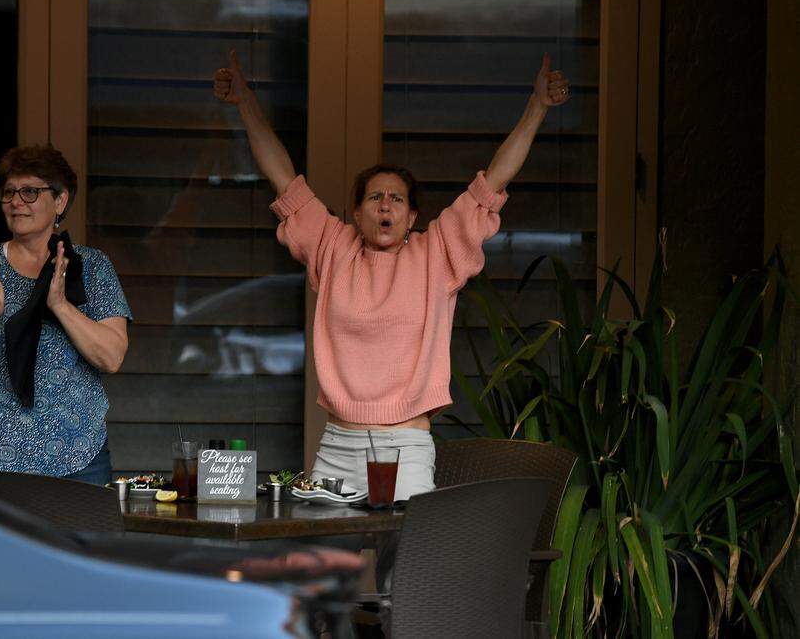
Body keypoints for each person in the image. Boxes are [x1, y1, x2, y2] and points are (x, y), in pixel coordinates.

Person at [214, 49, 569, 501]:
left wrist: (537, 106)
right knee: (320, 548)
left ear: (412, 216)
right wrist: (245, 103)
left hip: (406, 447)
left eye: (397, 199)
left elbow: (492, 183)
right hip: (337, 446)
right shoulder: (332, 246)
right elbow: (284, 179)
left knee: (406, 550)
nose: (385, 205)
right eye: (375, 197)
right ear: (356, 213)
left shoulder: (436, 252)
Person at [0, 144, 131, 483]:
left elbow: (111, 357)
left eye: (30, 192)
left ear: (60, 201)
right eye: (9, 192)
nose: (16, 202)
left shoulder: (92, 267)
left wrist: (61, 306)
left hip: (78, 454)